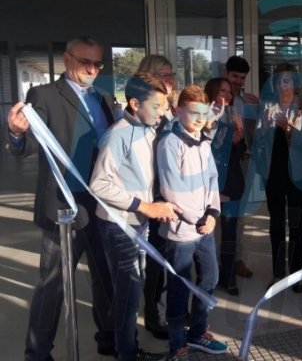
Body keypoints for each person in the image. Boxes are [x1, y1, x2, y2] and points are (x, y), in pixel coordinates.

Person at [6, 36, 117, 360]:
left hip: (100, 204)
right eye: (86, 62)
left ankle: (109, 337)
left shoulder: (106, 99)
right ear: (67, 60)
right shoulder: (44, 95)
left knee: (105, 276)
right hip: (62, 206)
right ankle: (37, 353)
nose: (93, 69)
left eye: (98, 63)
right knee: (53, 284)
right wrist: (15, 133)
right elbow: (29, 147)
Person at [90, 72, 181, 361]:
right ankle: (127, 354)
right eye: (157, 106)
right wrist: (144, 206)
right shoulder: (118, 134)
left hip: (137, 223)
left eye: (164, 105)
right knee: (128, 293)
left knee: (132, 289)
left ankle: (125, 347)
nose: (162, 112)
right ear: (133, 103)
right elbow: (99, 185)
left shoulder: (148, 127)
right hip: (119, 225)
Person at [157, 85, 229, 360]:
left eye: (203, 113)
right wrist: (198, 217)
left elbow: (212, 179)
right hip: (182, 232)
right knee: (179, 288)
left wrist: (212, 214)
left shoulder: (202, 141)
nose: (199, 119)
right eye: (192, 113)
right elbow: (172, 189)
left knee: (210, 277)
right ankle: (178, 343)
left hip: (205, 227)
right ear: (178, 111)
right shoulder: (170, 143)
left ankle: (197, 332)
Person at [254, 63, 302, 293]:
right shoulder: (267, 108)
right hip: (274, 175)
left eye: (287, 81)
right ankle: (278, 273)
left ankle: (296, 275)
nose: (282, 85)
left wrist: (288, 129)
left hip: (298, 176)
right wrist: (265, 128)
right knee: (276, 225)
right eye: (278, 81)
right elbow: (257, 142)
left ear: (295, 83)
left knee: (296, 226)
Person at [136, 54, 177, 340]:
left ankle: (170, 309)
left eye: (171, 74)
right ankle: (154, 316)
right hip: (152, 199)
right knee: (156, 263)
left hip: (174, 196)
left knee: (172, 261)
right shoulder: (144, 114)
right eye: (164, 75)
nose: (170, 80)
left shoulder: (173, 108)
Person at [205, 77, 246, 295]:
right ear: (212, 93)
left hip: (231, 181)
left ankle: (228, 276)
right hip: (208, 182)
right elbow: (205, 148)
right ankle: (206, 278)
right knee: (205, 232)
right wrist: (226, 138)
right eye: (223, 90)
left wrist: (238, 141)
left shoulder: (234, 114)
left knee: (229, 233)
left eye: (229, 92)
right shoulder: (204, 115)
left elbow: (240, 153)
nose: (228, 95)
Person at [223, 55, 259, 278]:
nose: (238, 81)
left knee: (239, 213)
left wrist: (258, 109)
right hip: (223, 162)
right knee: (220, 214)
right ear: (226, 73)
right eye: (235, 76)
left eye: (242, 78)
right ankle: (220, 259)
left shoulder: (248, 101)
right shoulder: (216, 97)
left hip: (244, 160)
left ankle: (237, 258)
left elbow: (256, 133)